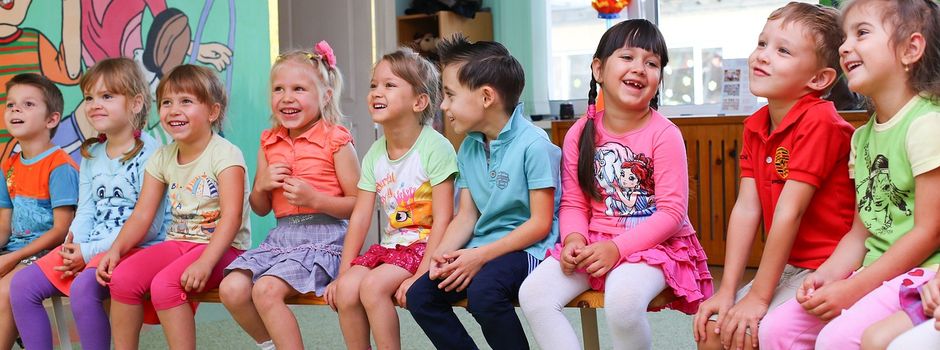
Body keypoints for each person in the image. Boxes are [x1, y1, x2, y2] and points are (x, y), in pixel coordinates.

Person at [519, 19, 711, 350]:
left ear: (659, 79)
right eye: (627, 57)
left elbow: (672, 213)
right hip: (595, 240)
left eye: (651, 63)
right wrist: (574, 240)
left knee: (623, 301)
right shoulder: (580, 133)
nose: (640, 68)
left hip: (654, 246)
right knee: (533, 294)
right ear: (598, 69)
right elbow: (574, 203)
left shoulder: (665, 134)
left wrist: (618, 249)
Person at [758, 0, 940, 349]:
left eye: (862, 33)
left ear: (911, 49)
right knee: (775, 332)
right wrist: (825, 276)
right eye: (844, 36)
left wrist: (856, 287)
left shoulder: (926, 124)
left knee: (835, 340)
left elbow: (929, 232)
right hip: (874, 270)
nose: (844, 46)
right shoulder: (862, 137)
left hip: (921, 273)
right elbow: (860, 234)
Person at [692, 3, 855, 350]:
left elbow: (788, 211)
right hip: (789, 264)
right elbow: (747, 209)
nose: (762, 56)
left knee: (754, 334)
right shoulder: (756, 125)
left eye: (782, 50)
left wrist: (758, 297)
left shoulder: (820, 122)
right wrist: (727, 290)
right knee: (712, 331)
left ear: (819, 79)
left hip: (828, 268)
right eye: (762, 43)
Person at [404, 34, 561, 350]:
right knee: (420, 295)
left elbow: (540, 224)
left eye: (449, 95)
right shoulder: (469, 146)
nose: (443, 106)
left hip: (529, 250)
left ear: (486, 96)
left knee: (484, 292)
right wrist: (439, 258)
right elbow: (466, 217)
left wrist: (479, 256)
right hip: (481, 249)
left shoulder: (535, 146)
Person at [95, 64, 251, 350]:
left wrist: (205, 262)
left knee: (166, 284)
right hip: (179, 243)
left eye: (186, 101)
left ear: (212, 112)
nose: (173, 110)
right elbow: (142, 214)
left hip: (224, 249)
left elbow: (232, 217)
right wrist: (115, 250)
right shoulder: (163, 157)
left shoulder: (226, 154)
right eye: (167, 102)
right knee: (123, 278)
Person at [219, 41, 359, 350]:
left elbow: (359, 205)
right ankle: (271, 345)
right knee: (231, 288)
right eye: (278, 89)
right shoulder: (269, 141)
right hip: (281, 240)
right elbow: (259, 208)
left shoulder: (336, 140)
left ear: (325, 95)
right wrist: (261, 186)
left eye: (299, 89)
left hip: (325, 241)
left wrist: (317, 200)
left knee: (265, 290)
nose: (287, 97)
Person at [326, 47, 457, 350]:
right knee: (346, 290)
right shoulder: (374, 153)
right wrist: (343, 272)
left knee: (371, 288)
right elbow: (360, 216)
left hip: (425, 246)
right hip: (391, 247)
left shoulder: (435, 148)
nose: (376, 92)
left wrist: (422, 276)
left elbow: (444, 219)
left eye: (389, 85)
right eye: (374, 85)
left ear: (419, 101)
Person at [0, 73, 79, 349]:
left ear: (52, 119)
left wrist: (12, 258)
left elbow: (61, 231)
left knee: (3, 292)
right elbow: (4, 226)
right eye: (10, 104)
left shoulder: (60, 166)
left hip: (47, 254)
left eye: (28, 104)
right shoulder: (7, 166)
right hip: (17, 250)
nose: (15, 109)